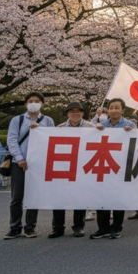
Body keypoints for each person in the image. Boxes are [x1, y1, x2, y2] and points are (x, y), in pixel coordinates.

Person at [4, 92, 55, 240]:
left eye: (37, 101)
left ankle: (30, 227)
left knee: (33, 196)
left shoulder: (48, 120)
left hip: (38, 164)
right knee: (16, 197)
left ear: (42, 104)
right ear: (25, 104)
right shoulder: (17, 120)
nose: (34, 103)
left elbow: (51, 140)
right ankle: (14, 227)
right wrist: (20, 159)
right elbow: (12, 140)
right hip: (18, 164)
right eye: (31, 101)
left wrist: (39, 130)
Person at [91, 98, 135, 239]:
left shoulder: (129, 125)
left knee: (117, 197)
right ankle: (103, 228)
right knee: (101, 197)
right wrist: (95, 131)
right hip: (103, 165)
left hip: (121, 166)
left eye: (117, 108)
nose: (114, 110)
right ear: (107, 110)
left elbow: (137, 142)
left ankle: (116, 228)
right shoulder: (101, 124)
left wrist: (132, 133)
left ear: (123, 110)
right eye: (111, 107)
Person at [49, 102, 93, 238]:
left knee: (80, 196)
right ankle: (58, 227)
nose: (75, 114)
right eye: (72, 111)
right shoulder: (59, 128)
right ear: (67, 114)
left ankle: (79, 226)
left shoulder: (91, 127)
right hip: (63, 166)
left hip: (82, 166)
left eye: (78, 111)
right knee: (59, 197)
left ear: (83, 114)